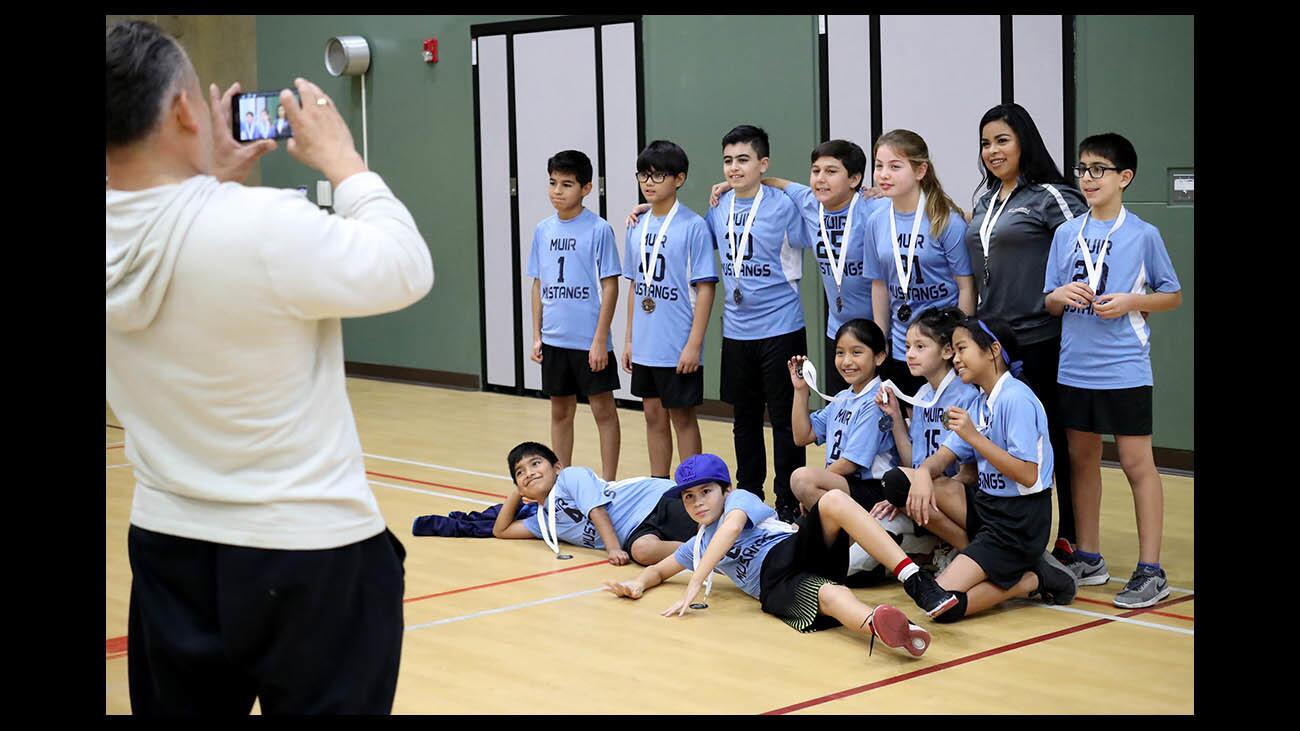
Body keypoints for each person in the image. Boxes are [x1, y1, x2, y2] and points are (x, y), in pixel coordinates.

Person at [106, 21, 432, 715]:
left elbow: (170, 233)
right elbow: (405, 267)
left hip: (169, 549)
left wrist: (208, 182)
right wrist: (345, 161)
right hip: (305, 551)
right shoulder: (265, 226)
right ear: (185, 111)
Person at [603, 454, 958, 659]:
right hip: (775, 584)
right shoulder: (698, 544)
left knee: (832, 501)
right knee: (832, 594)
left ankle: (914, 579)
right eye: (689, 498)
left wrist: (695, 583)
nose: (698, 503)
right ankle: (892, 630)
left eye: (706, 492)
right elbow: (661, 570)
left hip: (792, 549)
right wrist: (637, 584)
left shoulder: (739, 502)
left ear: (725, 490)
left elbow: (729, 531)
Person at [1044, 133, 1182, 608]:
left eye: (1098, 169)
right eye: (1082, 169)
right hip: (1074, 368)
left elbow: (1172, 294)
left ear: (1124, 177)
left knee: (1136, 464)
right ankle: (1089, 555)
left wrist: (1131, 302)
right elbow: (1049, 300)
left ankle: (1150, 569)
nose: (1087, 178)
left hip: (1124, 369)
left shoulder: (1142, 235)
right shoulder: (1067, 233)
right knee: (1082, 462)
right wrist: (1060, 297)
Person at [880, 318, 1078, 622]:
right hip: (987, 506)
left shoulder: (1017, 399)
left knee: (940, 604)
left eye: (962, 349)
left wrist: (973, 437)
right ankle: (992, 558)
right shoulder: (981, 401)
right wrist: (922, 474)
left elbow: (1028, 474)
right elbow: (942, 457)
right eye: (955, 350)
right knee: (898, 482)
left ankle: (1033, 579)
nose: (956, 358)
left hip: (1018, 522)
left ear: (992, 351)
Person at [963, 103, 1089, 565]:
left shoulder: (1051, 195)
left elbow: (1085, 247)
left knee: (1051, 440)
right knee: (997, 441)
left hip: (1041, 339)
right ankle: (1004, 536)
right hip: (993, 342)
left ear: (1024, 143)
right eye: (985, 142)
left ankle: (1071, 537)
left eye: (1002, 140)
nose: (992, 151)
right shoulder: (985, 201)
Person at [707, 140, 889, 396]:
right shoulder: (809, 202)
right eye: (816, 171)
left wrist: (890, 194)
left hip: (880, 329)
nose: (821, 179)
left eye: (831, 171)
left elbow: (918, 206)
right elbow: (778, 183)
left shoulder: (875, 208)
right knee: (842, 408)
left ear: (855, 178)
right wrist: (733, 184)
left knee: (890, 411)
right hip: (838, 331)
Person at [707, 125, 811, 522]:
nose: (734, 168)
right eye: (728, 161)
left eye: (744, 160)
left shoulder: (784, 205)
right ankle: (749, 494)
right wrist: (653, 209)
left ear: (763, 164)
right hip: (736, 331)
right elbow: (696, 238)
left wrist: (775, 182)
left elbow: (819, 204)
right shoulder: (718, 206)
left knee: (786, 420)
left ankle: (789, 501)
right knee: (744, 419)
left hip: (782, 329)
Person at [621, 140, 718, 478]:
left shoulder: (693, 226)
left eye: (658, 175)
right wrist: (630, 339)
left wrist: (694, 344)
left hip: (677, 342)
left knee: (682, 416)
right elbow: (634, 285)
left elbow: (705, 288)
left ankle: (695, 484)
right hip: (646, 341)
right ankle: (658, 485)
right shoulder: (636, 224)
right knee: (652, 414)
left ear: (679, 178)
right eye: (643, 175)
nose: (649, 182)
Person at [527, 149, 622, 480]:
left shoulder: (598, 229)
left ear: (586, 188)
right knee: (560, 411)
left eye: (567, 184)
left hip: (588, 341)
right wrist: (537, 335)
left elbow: (610, 286)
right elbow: (538, 285)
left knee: (603, 411)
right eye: (553, 183)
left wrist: (600, 340)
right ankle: (560, 479)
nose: (557, 191)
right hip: (555, 339)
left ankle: (609, 482)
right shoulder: (542, 230)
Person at [867, 130, 974, 396]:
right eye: (879, 166)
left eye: (895, 166)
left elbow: (966, 287)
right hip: (902, 346)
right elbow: (879, 285)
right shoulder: (876, 221)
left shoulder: (946, 221)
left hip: (941, 348)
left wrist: (960, 344)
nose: (883, 174)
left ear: (920, 170)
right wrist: (881, 341)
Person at [492, 442, 696, 566]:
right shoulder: (545, 522)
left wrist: (613, 549)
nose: (529, 473)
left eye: (535, 463)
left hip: (654, 502)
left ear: (557, 467)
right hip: (636, 532)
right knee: (642, 553)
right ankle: (702, 550)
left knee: (703, 523)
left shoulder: (570, 477)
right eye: (520, 472)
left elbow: (596, 511)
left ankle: (717, 537)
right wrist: (516, 493)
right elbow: (501, 530)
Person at [786, 319, 897, 514]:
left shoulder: (877, 400)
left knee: (802, 479)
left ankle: (848, 534)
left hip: (871, 488)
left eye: (856, 352)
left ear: (879, 357)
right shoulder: (843, 398)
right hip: (843, 483)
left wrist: (817, 483)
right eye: (840, 353)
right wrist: (800, 390)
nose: (846, 361)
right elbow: (802, 436)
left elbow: (851, 463)